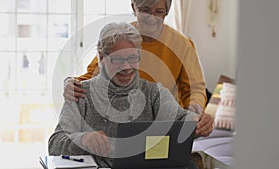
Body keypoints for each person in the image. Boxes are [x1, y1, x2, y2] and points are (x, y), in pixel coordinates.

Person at [49, 22, 199, 169]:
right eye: (118, 59)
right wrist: (83, 139)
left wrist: (196, 122)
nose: (126, 67)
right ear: (101, 57)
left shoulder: (154, 93)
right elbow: (55, 143)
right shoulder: (81, 93)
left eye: (133, 58)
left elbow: (182, 121)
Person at [63, 0, 213, 137]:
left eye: (159, 11)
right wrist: (70, 83)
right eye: (145, 10)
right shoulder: (122, 39)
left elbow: (194, 88)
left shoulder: (182, 44)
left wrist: (195, 116)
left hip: (164, 126)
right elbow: (93, 74)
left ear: (167, 12)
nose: (152, 17)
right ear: (134, 7)